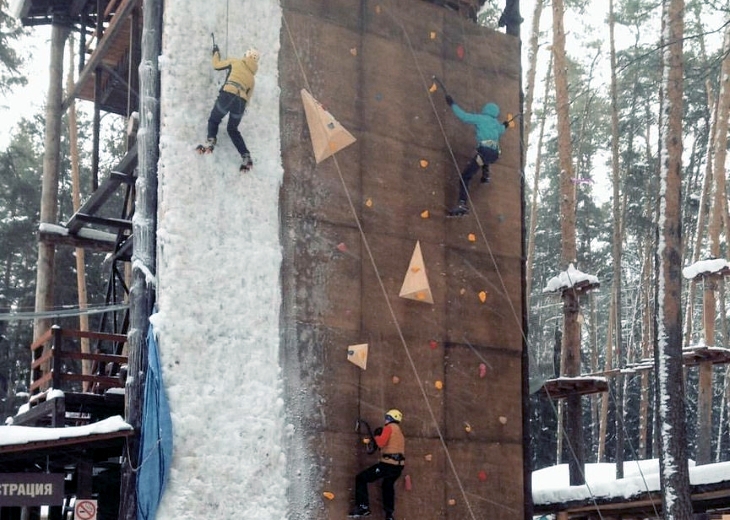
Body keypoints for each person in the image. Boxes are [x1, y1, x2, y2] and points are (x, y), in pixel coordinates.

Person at [197, 44, 259, 172]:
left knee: (214, 120)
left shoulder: (235, 62)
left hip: (228, 95)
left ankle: (210, 142)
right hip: (241, 103)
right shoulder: (252, 80)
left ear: (246, 55)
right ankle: (246, 156)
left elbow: (216, 65)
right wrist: (239, 109)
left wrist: (216, 52)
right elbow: (248, 98)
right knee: (233, 129)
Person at [445, 93, 510, 216]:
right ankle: (485, 175)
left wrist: (452, 104)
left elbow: (463, 116)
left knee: (465, 177)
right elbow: (501, 130)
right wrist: (505, 125)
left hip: (484, 152)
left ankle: (462, 204)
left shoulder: (480, 118)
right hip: (494, 154)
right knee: (484, 158)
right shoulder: (496, 124)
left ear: (485, 110)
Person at [349, 409, 405, 520]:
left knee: (361, 478)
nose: (386, 419)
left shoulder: (389, 428)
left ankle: (363, 507)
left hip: (388, 465)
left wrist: (375, 438)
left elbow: (380, 442)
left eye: (387, 417)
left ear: (390, 418)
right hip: (398, 467)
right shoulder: (399, 433)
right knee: (387, 486)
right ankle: (389, 515)